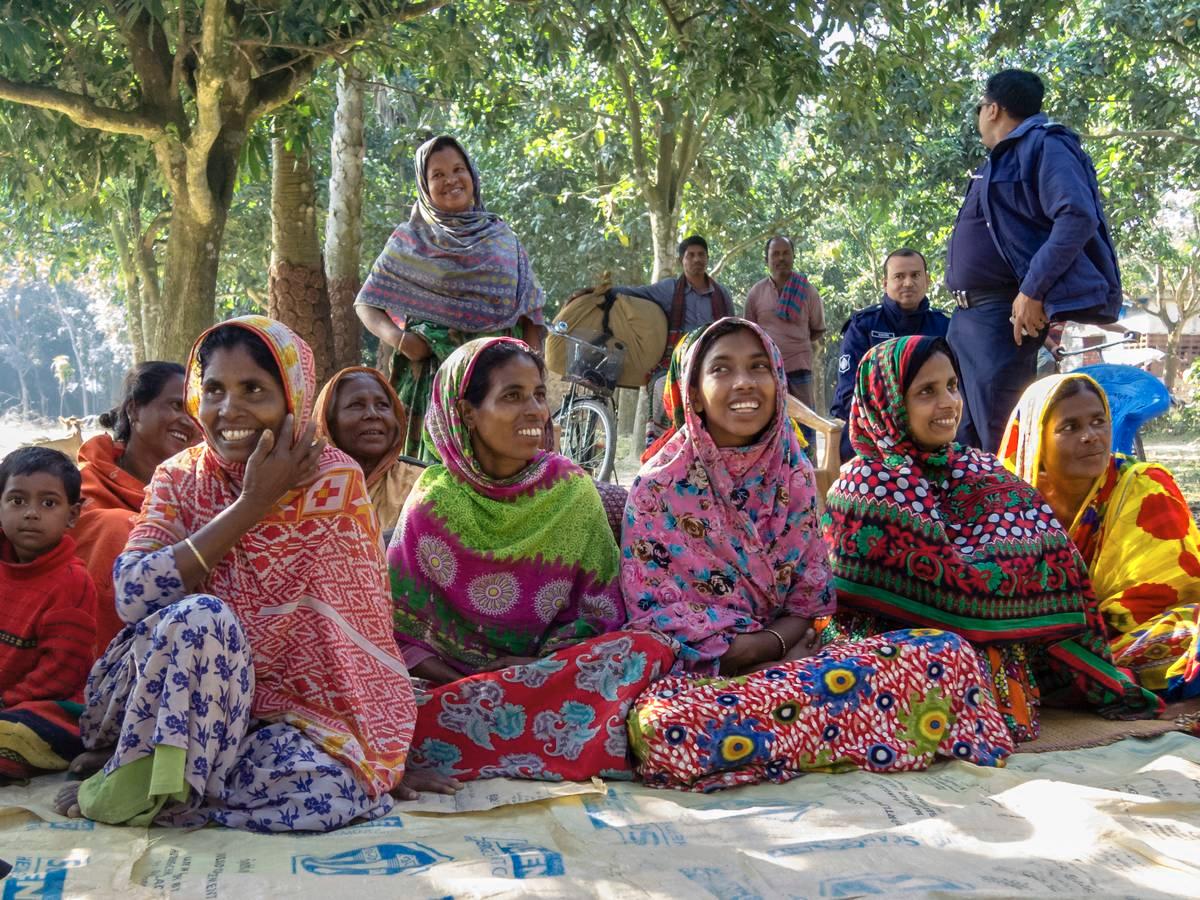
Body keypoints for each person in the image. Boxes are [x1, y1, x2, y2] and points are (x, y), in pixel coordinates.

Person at [55, 316, 450, 832]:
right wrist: (253, 502)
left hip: (279, 718)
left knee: (333, 790)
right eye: (213, 389)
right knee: (203, 619)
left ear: (292, 397)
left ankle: (175, 784)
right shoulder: (179, 476)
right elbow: (132, 596)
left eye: (253, 390)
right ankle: (147, 767)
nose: (228, 409)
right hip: (156, 693)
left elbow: (354, 627)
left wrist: (371, 747)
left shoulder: (334, 479)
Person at [620, 319, 1014, 791]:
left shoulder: (794, 475)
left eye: (759, 367)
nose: (744, 382)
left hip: (795, 668)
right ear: (695, 394)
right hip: (702, 680)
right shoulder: (657, 488)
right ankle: (829, 736)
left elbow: (808, 602)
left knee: (946, 655)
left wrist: (773, 650)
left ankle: (779, 741)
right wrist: (747, 653)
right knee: (662, 727)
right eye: (722, 369)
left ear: (779, 384)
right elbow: (652, 615)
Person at [824, 336, 1160, 744]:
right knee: (943, 652)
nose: (948, 402)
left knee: (992, 649)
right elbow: (870, 586)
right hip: (897, 648)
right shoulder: (866, 483)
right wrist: (992, 598)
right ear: (888, 401)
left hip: (995, 648)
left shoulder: (976, 467)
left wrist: (992, 601)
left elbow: (1049, 548)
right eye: (926, 392)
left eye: (951, 386)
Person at [389, 336, 676, 782]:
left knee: (644, 650)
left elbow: (600, 615)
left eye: (539, 395)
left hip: (549, 675)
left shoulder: (571, 490)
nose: (535, 412)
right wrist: (463, 679)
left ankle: (484, 734)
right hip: (450, 684)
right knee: (387, 699)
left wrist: (532, 668)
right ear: (466, 413)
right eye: (512, 396)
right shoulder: (434, 499)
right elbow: (398, 627)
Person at [945, 69, 1121, 452]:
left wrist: (1032, 290)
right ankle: (976, 514)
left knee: (1002, 440)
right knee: (966, 441)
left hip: (1005, 317)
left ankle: (1013, 513)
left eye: (979, 108)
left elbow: (1076, 216)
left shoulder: (1046, 144)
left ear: (992, 109)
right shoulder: (998, 160)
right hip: (968, 319)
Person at [1001, 374, 1200, 699]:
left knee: (1189, 633)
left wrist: (1086, 635)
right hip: (1048, 644)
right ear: (1036, 438)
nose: (1091, 437)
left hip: (1126, 635)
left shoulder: (1142, 487)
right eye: (1070, 427)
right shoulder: (1010, 502)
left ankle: (1086, 677)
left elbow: (1175, 587)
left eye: (1099, 422)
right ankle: (1089, 677)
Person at [355, 135, 545, 461]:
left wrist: (532, 376)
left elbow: (531, 314)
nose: (451, 180)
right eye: (438, 175)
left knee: (504, 473)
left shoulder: (502, 238)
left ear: (472, 176)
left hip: (501, 385)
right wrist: (401, 340)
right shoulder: (409, 239)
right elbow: (366, 303)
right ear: (424, 186)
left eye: (458, 169)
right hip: (431, 384)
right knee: (435, 485)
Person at [73, 362, 197, 656]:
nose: (188, 422)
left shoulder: (201, 496)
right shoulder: (79, 485)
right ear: (134, 410)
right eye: (176, 406)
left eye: (195, 412)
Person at [0, 447, 97, 782]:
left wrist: (5, 700)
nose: (31, 513)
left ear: (72, 516)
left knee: (13, 734)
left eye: (48, 503)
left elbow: (60, 674)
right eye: (16, 500)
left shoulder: (72, 582)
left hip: (48, 705)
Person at [610, 235, 733, 447]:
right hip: (674, 364)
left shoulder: (722, 295)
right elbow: (635, 293)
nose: (696, 260)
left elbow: (732, 332)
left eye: (701, 255)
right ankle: (659, 450)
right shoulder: (669, 289)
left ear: (707, 258)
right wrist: (604, 292)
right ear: (681, 261)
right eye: (690, 255)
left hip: (711, 363)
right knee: (660, 386)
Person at [830, 249, 949, 461]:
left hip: (932, 435)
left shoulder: (944, 326)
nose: (908, 283)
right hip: (872, 436)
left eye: (915, 275)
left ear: (927, 280)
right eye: (899, 276)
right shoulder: (863, 326)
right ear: (885, 283)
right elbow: (850, 393)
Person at [313, 366, 420, 537]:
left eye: (383, 405)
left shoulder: (421, 484)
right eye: (356, 405)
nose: (372, 414)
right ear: (329, 422)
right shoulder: (304, 486)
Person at [743, 236, 826, 411]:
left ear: (794, 256)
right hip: (766, 369)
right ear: (767, 260)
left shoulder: (808, 291)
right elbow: (749, 333)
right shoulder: (756, 293)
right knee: (768, 421)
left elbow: (817, 330)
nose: (781, 258)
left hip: (799, 367)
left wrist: (793, 344)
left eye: (786, 253)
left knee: (805, 423)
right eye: (776, 254)